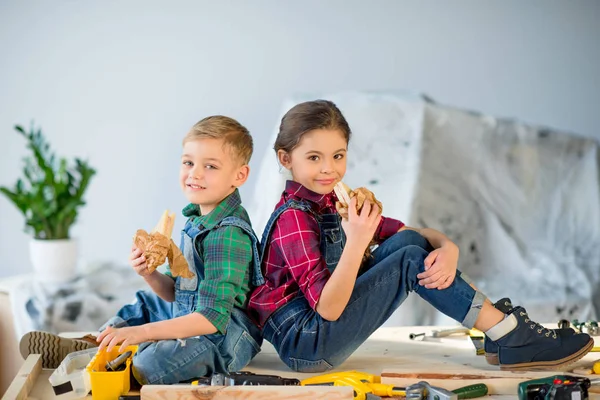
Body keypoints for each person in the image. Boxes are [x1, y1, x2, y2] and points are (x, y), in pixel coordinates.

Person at [246, 99, 592, 373]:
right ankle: (508, 334)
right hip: (308, 344)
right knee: (410, 260)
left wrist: (448, 247)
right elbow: (330, 309)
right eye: (314, 157)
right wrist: (356, 242)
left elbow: (410, 234)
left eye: (338, 155)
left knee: (408, 245)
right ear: (286, 159)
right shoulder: (293, 217)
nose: (328, 168)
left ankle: (500, 336)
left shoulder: (334, 202)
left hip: (319, 327)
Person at [21, 116, 264, 383]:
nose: (195, 173)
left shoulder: (228, 234)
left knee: (151, 362)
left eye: (210, 166)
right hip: (193, 315)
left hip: (224, 336)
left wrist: (145, 333)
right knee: (147, 302)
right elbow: (175, 293)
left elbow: (211, 318)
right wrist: (150, 274)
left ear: (239, 175)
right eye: (188, 162)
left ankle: (123, 357)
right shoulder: (197, 221)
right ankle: (99, 344)